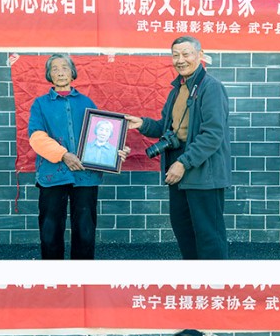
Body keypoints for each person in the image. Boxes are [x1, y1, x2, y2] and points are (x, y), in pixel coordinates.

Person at [126, 36, 232, 260]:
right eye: (175, 55)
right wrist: (142, 124)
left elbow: (213, 134)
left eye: (186, 54)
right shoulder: (177, 89)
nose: (180, 60)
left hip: (202, 170)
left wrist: (183, 163)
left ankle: (215, 280)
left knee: (208, 234)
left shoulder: (211, 87)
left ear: (199, 55)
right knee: (183, 229)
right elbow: (167, 127)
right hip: (179, 165)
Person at [28, 54, 128, 259]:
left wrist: (115, 152)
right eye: (55, 69)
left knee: (85, 231)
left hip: (85, 175)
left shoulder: (86, 102)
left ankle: (82, 274)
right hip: (53, 175)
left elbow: (99, 133)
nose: (60, 72)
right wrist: (63, 155)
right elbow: (36, 137)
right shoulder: (40, 104)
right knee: (50, 231)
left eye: (65, 68)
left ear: (72, 73)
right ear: (49, 75)